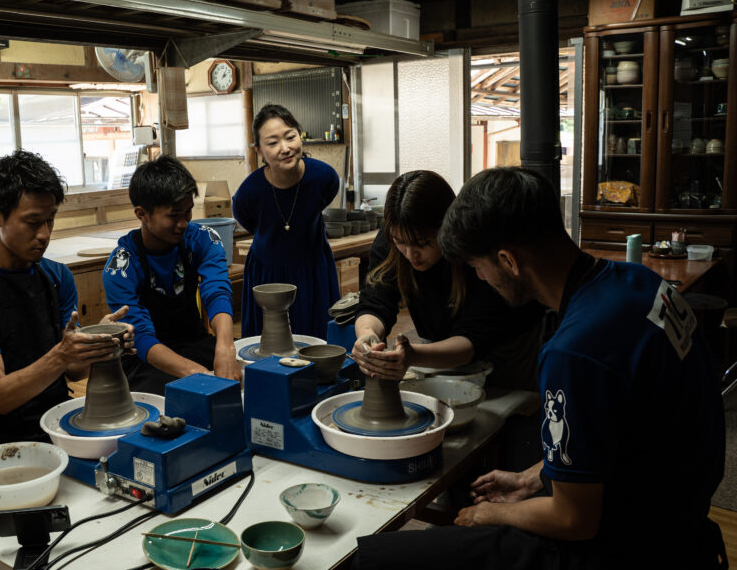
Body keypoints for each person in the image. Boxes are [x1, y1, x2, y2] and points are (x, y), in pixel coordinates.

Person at [354, 167, 726, 569]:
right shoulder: (641, 281)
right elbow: (621, 431)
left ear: (507, 260)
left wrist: (488, 516)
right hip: (677, 510)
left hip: (631, 544)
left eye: (478, 267)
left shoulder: (573, 353)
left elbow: (573, 519)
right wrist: (533, 476)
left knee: (375, 559)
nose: (478, 277)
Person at [0, 150, 133, 465]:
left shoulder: (56, 277)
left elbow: (74, 371)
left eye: (50, 219)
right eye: (32, 222)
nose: (44, 234)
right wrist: (63, 353)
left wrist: (98, 344)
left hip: (54, 428)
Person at [353, 170, 544, 392]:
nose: (410, 254)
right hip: (440, 345)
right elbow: (375, 301)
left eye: (422, 244)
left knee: (504, 414)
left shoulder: (472, 248)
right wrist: (367, 335)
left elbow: (475, 337)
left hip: (506, 346)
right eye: (400, 242)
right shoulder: (392, 241)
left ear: (445, 228)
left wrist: (412, 355)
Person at [103, 155, 239, 395]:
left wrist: (225, 348)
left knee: (247, 377)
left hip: (194, 343)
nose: (184, 223)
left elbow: (216, 290)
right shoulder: (121, 266)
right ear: (141, 214)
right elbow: (141, 337)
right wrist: (198, 374)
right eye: (174, 216)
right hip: (147, 358)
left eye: (187, 212)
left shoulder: (203, 239)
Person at [233, 104, 340, 340]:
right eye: (272, 143)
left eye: (290, 137)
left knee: (317, 341)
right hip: (267, 273)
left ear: (299, 135)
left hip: (313, 269)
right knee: (268, 346)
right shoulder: (249, 193)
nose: (285, 148)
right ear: (259, 151)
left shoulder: (324, 177)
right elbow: (250, 222)